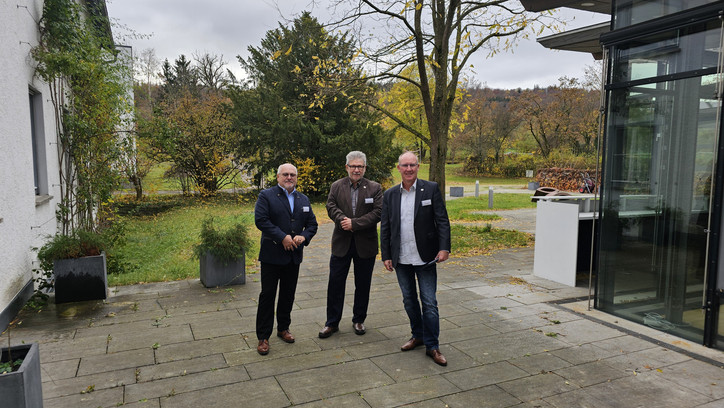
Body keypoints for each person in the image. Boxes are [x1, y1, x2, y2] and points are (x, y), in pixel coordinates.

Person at [380, 151, 451, 366]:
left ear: (418, 167)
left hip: (426, 256)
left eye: (412, 165)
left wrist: (444, 247)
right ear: (399, 168)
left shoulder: (430, 188)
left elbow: (442, 220)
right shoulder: (390, 194)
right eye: (405, 165)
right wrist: (386, 255)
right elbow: (385, 227)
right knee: (409, 300)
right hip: (401, 258)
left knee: (429, 302)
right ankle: (417, 335)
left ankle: (433, 346)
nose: (409, 169)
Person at [254, 163, 318, 355]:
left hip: (293, 257)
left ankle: (283, 328)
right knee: (268, 296)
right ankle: (263, 337)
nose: (289, 177)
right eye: (285, 174)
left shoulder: (303, 199)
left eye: (292, 175)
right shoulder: (266, 196)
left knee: (288, 294)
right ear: (278, 176)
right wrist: (282, 237)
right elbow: (261, 220)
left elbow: (312, 224)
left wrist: (304, 236)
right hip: (272, 256)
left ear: (296, 178)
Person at [319, 151, 383, 338]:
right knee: (335, 284)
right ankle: (332, 323)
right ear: (347, 167)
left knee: (363, 284)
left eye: (360, 166)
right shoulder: (336, 186)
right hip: (342, 243)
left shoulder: (374, 187)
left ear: (364, 168)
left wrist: (355, 224)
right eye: (353, 166)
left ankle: (359, 320)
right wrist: (342, 220)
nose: (357, 169)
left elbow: (378, 212)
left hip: (366, 245)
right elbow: (330, 206)